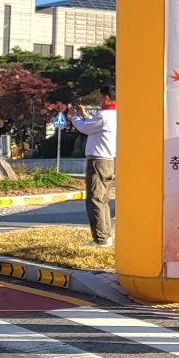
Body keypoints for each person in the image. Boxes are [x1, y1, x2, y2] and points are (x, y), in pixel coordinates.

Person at [70, 86, 117, 248]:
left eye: (99, 97)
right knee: (102, 199)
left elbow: (84, 128)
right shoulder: (116, 115)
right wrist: (85, 116)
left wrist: (74, 117)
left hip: (98, 160)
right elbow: (93, 125)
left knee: (94, 200)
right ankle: (106, 235)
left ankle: (100, 240)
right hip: (109, 160)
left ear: (105, 98)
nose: (98, 100)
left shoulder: (103, 116)